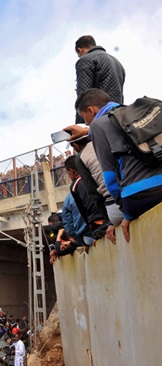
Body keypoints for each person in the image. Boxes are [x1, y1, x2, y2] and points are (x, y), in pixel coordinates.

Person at [76, 88, 162, 242]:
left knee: (114, 217)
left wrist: (126, 213)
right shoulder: (136, 114)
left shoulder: (99, 125)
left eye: (84, 118)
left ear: (91, 110)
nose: (86, 123)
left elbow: (110, 180)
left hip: (139, 196)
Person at [74, 35, 125, 124]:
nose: (79, 57)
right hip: (119, 117)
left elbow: (83, 98)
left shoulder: (85, 60)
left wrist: (80, 126)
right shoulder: (117, 63)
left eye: (79, 55)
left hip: (100, 118)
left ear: (80, 50)